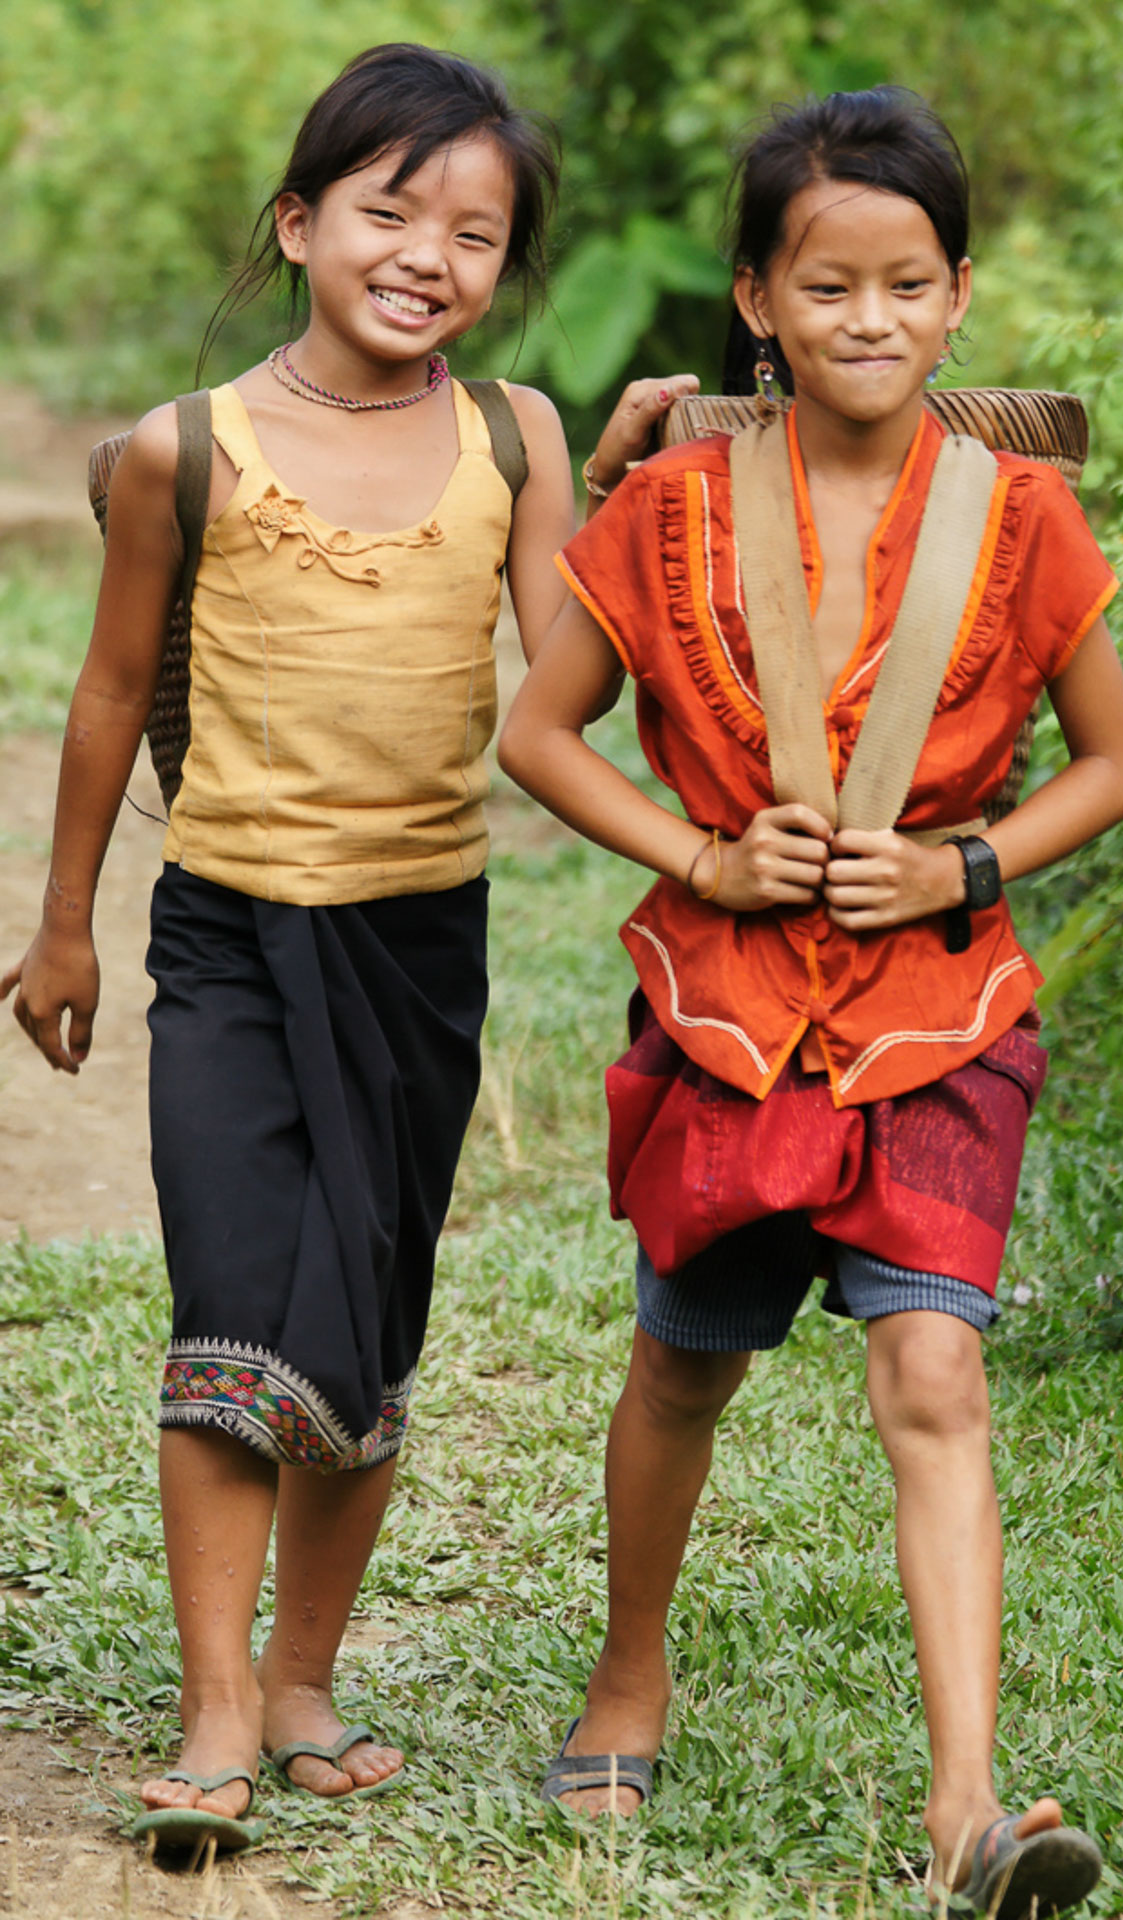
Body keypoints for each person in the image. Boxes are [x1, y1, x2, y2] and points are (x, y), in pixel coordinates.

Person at [1, 42, 690, 1855]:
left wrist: (615, 497)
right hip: (227, 937)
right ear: (302, 221)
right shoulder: (187, 450)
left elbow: (565, 672)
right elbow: (102, 695)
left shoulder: (515, 436)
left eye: (473, 232)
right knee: (232, 1303)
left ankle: (306, 1679)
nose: (428, 255)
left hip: (420, 946)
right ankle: (220, 1704)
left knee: (365, 1312)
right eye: (390, 211)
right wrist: (64, 924)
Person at [499, 86, 1123, 1918]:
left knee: (931, 1373)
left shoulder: (1020, 520)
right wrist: (701, 861)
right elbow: (538, 734)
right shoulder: (675, 509)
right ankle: (631, 1673)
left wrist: (966, 864)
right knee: (684, 1362)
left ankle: (969, 1810)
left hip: (943, 1004)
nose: (870, 320)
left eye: (908, 285)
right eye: (827, 285)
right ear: (755, 301)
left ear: (958, 298)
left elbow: (1111, 765)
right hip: (727, 1004)